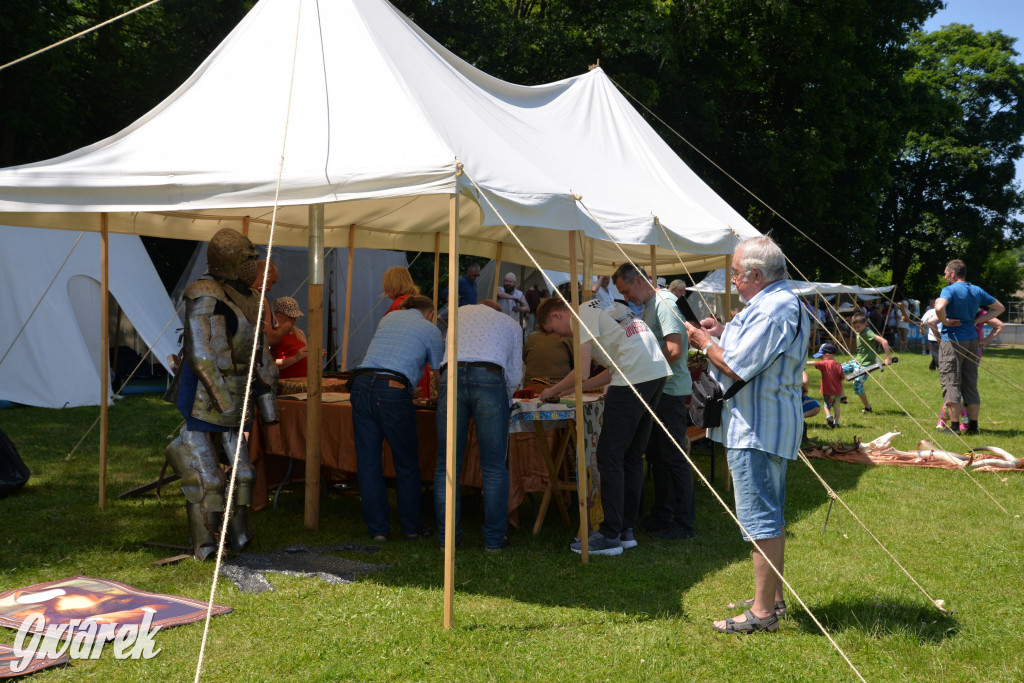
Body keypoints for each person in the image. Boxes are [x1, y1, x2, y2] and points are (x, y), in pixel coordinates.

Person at [684, 235, 807, 634]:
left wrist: (706, 343)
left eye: (736, 273)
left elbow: (737, 366)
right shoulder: (779, 302)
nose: (733, 280)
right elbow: (757, 352)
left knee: (760, 519)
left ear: (755, 274)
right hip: (766, 423)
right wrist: (724, 332)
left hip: (756, 427)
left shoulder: (773, 308)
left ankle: (762, 613)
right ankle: (772, 599)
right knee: (770, 515)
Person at [164, 228, 279, 560]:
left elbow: (259, 353)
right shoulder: (205, 293)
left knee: (244, 474)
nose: (252, 265)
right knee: (208, 479)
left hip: (238, 392)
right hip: (205, 395)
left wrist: (265, 400)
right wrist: (227, 404)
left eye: (253, 258)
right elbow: (202, 356)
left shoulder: (252, 297)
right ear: (227, 260)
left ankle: (239, 536)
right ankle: (205, 545)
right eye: (246, 259)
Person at [536, 295, 670, 556]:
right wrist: (576, 389)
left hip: (633, 377)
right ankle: (625, 530)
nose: (560, 336)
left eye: (554, 330)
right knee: (631, 456)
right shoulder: (601, 307)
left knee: (609, 456)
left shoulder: (580, 316)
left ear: (556, 315)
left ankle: (609, 534)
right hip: (654, 372)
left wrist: (550, 391)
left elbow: (582, 370)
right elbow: (610, 368)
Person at [351, 295, 444, 541]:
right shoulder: (431, 329)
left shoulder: (389, 317)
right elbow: (439, 375)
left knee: (368, 463)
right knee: (406, 462)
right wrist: (441, 397)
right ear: (429, 313)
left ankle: (378, 530)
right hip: (393, 389)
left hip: (361, 384)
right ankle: (411, 528)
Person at [613, 263, 695, 540]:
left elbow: (674, 349)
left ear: (638, 280)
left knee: (673, 458)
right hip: (660, 390)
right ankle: (662, 514)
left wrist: (642, 366)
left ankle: (684, 522)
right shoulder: (650, 305)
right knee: (659, 458)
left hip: (670, 391)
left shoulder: (664, 301)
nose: (626, 298)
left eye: (626, 291)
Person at [434, 300, 523, 552]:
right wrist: (504, 396)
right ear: (497, 312)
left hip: (451, 374)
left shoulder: (458, 314)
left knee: (447, 464)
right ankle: (494, 541)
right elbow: (514, 375)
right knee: (493, 465)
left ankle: (447, 539)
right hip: (489, 376)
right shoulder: (511, 323)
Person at [934, 259, 1004, 435]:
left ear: (953, 273)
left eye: (945, 273)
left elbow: (939, 306)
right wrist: (978, 320)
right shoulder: (976, 290)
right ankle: (973, 426)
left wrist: (945, 321)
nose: (944, 276)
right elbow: (999, 308)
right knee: (970, 382)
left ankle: (954, 427)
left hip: (953, 341)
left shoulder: (949, 289)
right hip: (972, 340)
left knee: (951, 382)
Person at [381, 265, 432, 397]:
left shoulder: (399, 306)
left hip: (404, 366)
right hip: (419, 363)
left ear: (391, 284)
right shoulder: (418, 302)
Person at [841, 311, 892, 414]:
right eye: (854, 327)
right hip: (857, 361)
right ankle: (842, 397)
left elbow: (884, 341)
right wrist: (850, 320)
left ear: (865, 324)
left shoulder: (867, 332)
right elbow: (856, 323)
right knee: (837, 370)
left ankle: (867, 407)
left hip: (866, 364)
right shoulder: (860, 330)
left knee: (857, 384)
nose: (856, 329)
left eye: (858, 327)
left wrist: (888, 358)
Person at [523, 310, 573, 384]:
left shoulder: (531, 338)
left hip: (530, 384)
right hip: (559, 383)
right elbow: (578, 363)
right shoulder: (566, 337)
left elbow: (524, 359)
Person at [270, 297, 309, 380]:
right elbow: (272, 364)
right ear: (279, 316)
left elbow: (304, 358)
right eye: (291, 318)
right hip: (286, 382)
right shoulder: (272, 336)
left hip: (303, 381)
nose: (295, 321)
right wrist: (295, 358)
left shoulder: (299, 333)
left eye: (296, 317)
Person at [807, 343, 844, 428]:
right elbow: (842, 378)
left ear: (827, 354)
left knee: (826, 405)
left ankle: (828, 416)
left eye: (821, 355)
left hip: (828, 391)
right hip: (837, 392)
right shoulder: (838, 365)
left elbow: (815, 363)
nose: (820, 358)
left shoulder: (824, 363)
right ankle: (836, 422)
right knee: (837, 407)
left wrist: (804, 362)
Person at [920, 299, 939, 369]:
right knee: (937, 352)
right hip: (933, 336)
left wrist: (922, 328)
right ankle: (940, 367)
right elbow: (923, 322)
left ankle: (932, 366)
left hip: (944, 336)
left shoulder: (946, 311)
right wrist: (922, 329)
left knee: (939, 352)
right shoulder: (930, 312)